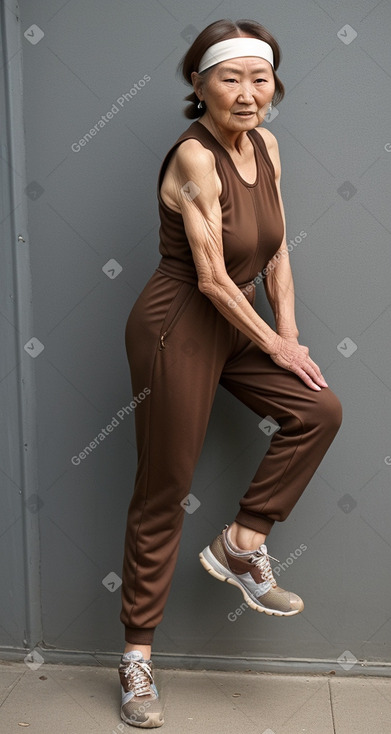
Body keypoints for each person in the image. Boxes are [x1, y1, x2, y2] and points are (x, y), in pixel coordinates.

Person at [117, 18, 342, 728]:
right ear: (198, 84)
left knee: (318, 410)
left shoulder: (266, 147)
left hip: (236, 326)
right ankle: (136, 661)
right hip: (175, 326)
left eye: (259, 77)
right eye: (230, 78)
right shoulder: (194, 158)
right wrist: (274, 346)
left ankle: (242, 544)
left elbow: (274, 252)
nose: (248, 94)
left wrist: (291, 334)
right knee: (164, 488)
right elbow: (213, 279)